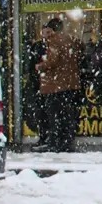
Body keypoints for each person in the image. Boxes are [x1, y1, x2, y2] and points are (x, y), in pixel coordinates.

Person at [35, 16, 83, 153]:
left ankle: (56, 143)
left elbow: (53, 61)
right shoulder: (71, 39)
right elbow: (80, 51)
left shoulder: (54, 41)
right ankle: (67, 142)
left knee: (54, 115)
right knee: (67, 115)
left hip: (56, 86)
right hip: (71, 84)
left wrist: (40, 66)